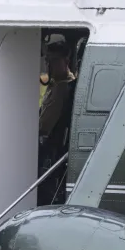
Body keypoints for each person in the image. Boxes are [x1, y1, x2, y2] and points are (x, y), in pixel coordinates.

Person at [37, 40, 76, 206]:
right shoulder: (56, 84)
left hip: (52, 151)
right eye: (47, 61)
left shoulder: (62, 88)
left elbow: (43, 127)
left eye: (54, 61)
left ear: (66, 62)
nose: (49, 65)